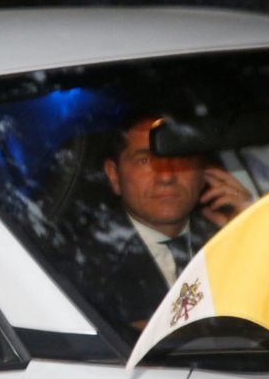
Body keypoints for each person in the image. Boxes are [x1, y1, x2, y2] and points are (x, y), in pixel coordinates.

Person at [66, 114, 252, 336]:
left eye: (180, 158)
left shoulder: (230, 238)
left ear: (204, 172)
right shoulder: (83, 262)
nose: (166, 176)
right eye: (145, 160)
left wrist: (255, 234)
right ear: (114, 175)